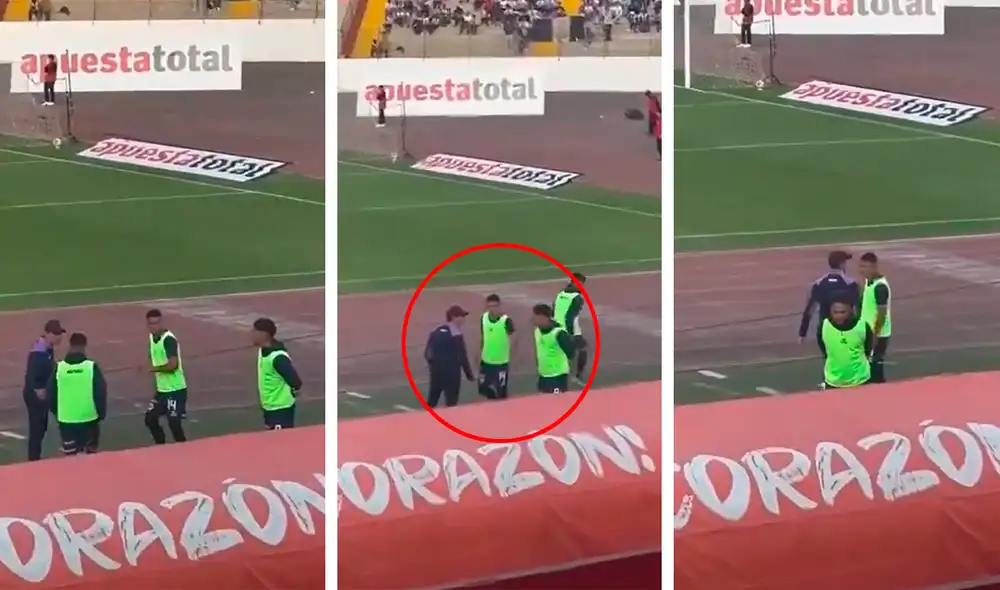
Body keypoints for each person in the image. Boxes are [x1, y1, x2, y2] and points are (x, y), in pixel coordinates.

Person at [47, 332, 107, 456]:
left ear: (70, 345)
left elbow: (51, 393)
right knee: (91, 457)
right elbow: (100, 391)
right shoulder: (91, 367)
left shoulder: (59, 368)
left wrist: (57, 412)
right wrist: (101, 413)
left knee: (71, 459)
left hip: (66, 421)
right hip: (89, 418)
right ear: (84, 346)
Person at [798, 250, 860, 351]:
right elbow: (858, 308)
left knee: (830, 360)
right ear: (842, 264)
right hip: (846, 330)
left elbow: (810, 311)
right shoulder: (851, 284)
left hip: (825, 331)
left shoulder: (818, 284)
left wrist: (802, 333)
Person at [144, 309, 188, 444]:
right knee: (150, 419)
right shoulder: (152, 338)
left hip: (176, 390)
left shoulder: (168, 340)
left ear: (161, 322)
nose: (154, 326)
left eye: (156, 323)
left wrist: (154, 369)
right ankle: (161, 444)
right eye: (151, 324)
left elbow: (173, 365)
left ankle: (183, 447)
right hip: (162, 390)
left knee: (174, 423)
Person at [23, 319, 64, 461]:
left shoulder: (47, 348)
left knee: (41, 427)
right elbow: (31, 374)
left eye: (60, 333)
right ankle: (33, 460)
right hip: (35, 396)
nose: (59, 337)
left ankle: (34, 458)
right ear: (48, 334)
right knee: (37, 429)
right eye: (56, 333)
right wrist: (37, 390)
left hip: (42, 393)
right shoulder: (39, 351)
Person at [252, 318, 303, 429]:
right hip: (269, 407)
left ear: (264, 334)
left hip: (281, 409)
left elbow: (296, 382)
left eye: (254, 332)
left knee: (282, 443)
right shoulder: (263, 350)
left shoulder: (278, 358)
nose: (252, 335)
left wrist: (293, 391)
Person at [424, 305, 475, 408]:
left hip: (436, 373)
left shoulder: (436, 332)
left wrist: (434, 366)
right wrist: (469, 375)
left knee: (431, 402)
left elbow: (427, 353)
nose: (463, 319)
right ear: (453, 317)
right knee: (451, 404)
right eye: (461, 316)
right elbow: (462, 357)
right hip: (452, 375)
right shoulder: (457, 335)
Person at [819, 297, 874, 389]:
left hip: (860, 381)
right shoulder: (824, 327)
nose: (839, 316)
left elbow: (868, 349)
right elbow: (824, 348)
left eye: (843, 312)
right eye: (835, 312)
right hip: (833, 382)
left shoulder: (862, 327)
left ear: (851, 311)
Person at [858, 252, 891, 383]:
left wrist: (875, 335)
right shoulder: (869, 282)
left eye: (865, 267)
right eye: (861, 266)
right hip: (867, 331)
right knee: (868, 367)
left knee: (875, 367)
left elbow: (882, 314)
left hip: (878, 334)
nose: (862, 270)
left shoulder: (880, 287)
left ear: (874, 267)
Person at [554, 272, 589, 385]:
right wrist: (570, 333)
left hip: (557, 327)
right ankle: (577, 376)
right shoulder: (577, 298)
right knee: (582, 349)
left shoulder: (560, 294)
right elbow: (570, 316)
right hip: (570, 328)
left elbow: (553, 309)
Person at [531, 304, 576, 394]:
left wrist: (571, 374)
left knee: (558, 405)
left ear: (543, 317)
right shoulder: (537, 331)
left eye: (535, 316)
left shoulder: (559, 334)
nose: (532, 318)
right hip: (543, 376)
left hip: (557, 377)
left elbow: (572, 354)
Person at [478, 294, 515, 400]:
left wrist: (512, 353)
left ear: (499, 306)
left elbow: (514, 337)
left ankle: (503, 410)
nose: (492, 309)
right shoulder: (484, 318)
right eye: (490, 306)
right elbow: (483, 336)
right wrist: (479, 353)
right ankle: (493, 401)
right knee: (482, 388)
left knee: (501, 391)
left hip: (501, 363)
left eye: (495, 306)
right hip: (486, 361)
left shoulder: (506, 321)